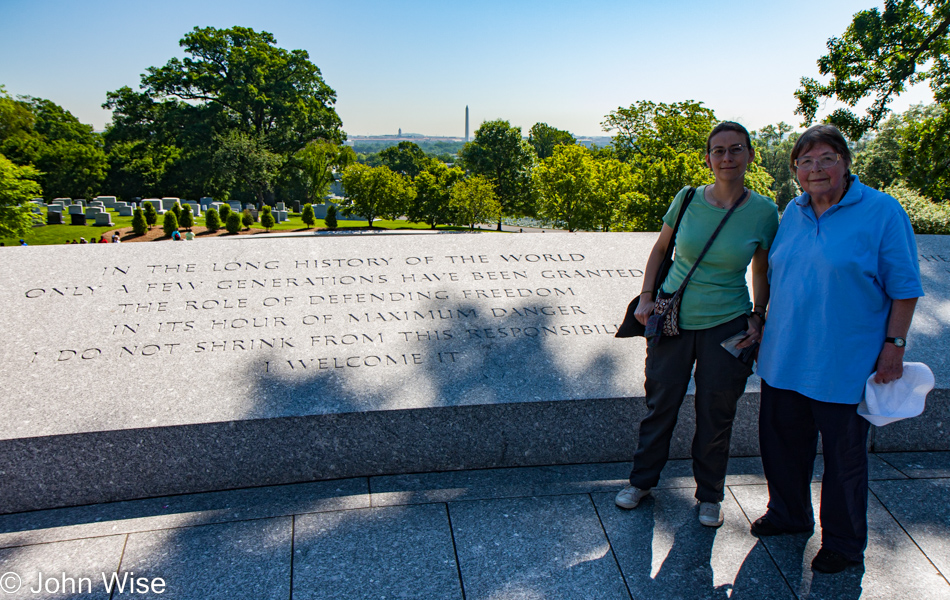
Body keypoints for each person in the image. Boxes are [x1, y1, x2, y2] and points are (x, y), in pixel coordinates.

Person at [753, 125, 923, 573]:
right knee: (782, 447)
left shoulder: (882, 211)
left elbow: (905, 288)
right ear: (795, 171)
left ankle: (845, 544)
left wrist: (895, 346)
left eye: (826, 158)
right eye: (805, 162)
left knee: (845, 462)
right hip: (784, 357)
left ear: (846, 162)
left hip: (844, 364)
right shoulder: (793, 211)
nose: (816, 169)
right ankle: (789, 515)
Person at [615, 122, 779, 527]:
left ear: (750, 156)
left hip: (728, 325)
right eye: (718, 150)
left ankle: (709, 495)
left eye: (736, 149)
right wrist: (648, 296)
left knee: (717, 412)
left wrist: (759, 315)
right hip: (672, 320)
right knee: (660, 405)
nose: (727, 157)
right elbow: (660, 249)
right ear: (708, 159)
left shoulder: (764, 212)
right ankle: (641, 481)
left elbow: (762, 270)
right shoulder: (687, 198)